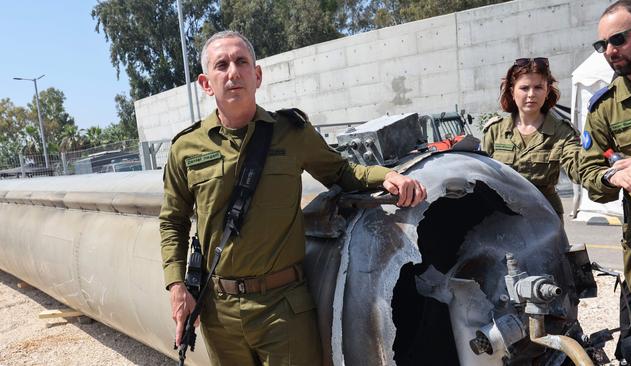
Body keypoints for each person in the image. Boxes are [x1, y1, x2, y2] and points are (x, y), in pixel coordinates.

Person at [159, 30, 427, 366]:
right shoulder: (186, 148)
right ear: (205, 83)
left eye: (242, 62)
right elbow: (173, 220)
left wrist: (386, 175)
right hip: (219, 311)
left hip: (283, 307)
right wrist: (175, 285)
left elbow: (342, 172)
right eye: (221, 65)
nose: (233, 72)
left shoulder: (292, 132)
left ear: (257, 75)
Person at [578, 0, 631, 342]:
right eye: (602, 44)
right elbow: (590, 169)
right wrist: (612, 176)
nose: (609, 50)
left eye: (618, 39)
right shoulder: (604, 108)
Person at [482, 57, 581, 219]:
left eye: (538, 87)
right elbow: (482, 174)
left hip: (545, 215)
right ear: (512, 91)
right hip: (503, 214)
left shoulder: (562, 131)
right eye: (524, 88)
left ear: (547, 91)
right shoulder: (495, 130)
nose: (531, 94)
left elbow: (578, 167)